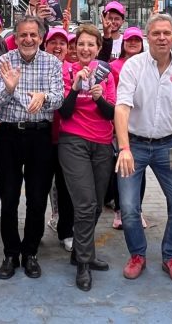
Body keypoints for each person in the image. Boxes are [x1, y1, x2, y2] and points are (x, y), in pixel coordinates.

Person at [115, 14, 172, 284]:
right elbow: (122, 107)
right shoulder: (133, 66)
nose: (162, 38)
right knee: (128, 207)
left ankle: (171, 255)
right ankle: (137, 254)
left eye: (166, 33)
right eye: (156, 33)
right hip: (135, 145)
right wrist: (124, 148)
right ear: (146, 36)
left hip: (169, 145)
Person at [0, 15, 64, 280]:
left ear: (41, 37)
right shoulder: (4, 62)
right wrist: (10, 89)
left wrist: (43, 97)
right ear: (16, 37)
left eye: (33, 35)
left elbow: (58, 98)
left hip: (39, 137)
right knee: (9, 197)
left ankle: (30, 251)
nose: (29, 39)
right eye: (23, 35)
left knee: (36, 198)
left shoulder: (52, 62)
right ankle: (11, 253)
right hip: (9, 135)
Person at [57, 24, 117, 291]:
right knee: (84, 204)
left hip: (102, 144)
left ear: (98, 48)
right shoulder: (65, 71)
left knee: (94, 207)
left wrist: (100, 98)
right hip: (73, 142)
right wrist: (75, 87)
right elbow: (64, 113)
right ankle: (83, 263)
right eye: (81, 44)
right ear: (75, 47)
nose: (85, 49)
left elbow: (111, 113)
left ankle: (79, 252)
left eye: (91, 44)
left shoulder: (107, 74)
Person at [106, 26, 147, 230]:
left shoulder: (148, 65)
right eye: (129, 40)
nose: (132, 44)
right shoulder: (114, 66)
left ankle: (137, 210)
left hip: (141, 127)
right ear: (123, 43)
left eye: (137, 40)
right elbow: (112, 97)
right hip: (120, 126)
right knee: (120, 170)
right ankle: (120, 210)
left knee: (140, 171)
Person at [44, 27, 74, 252]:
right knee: (39, 187)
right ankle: (35, 233)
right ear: (45, 46)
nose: (57, 46)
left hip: (67, 138)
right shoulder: (39, 69)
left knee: (66, 188)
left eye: (61, 43)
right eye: (52, 42)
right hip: (42, 137)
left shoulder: (74, 71)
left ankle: (66, 231)